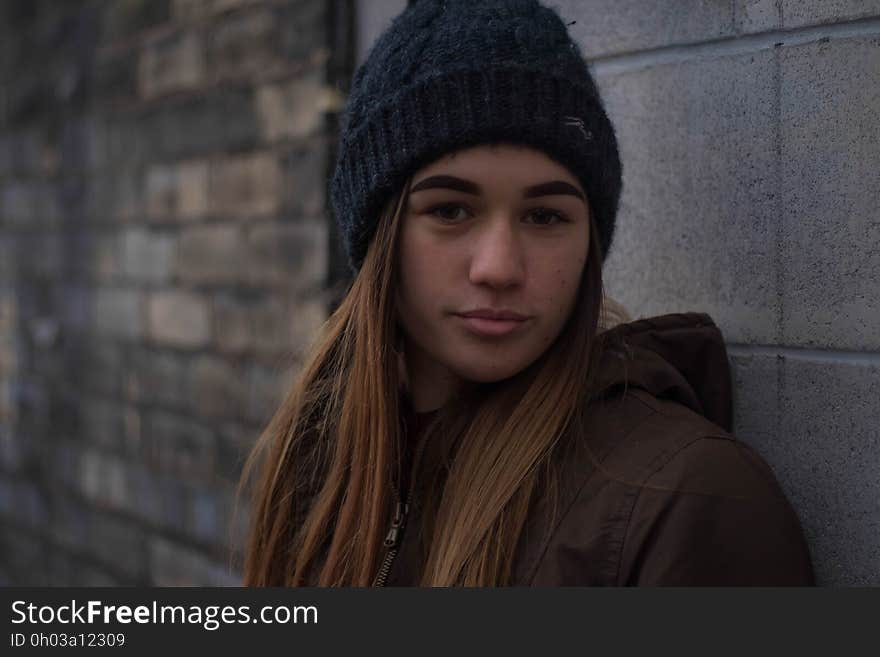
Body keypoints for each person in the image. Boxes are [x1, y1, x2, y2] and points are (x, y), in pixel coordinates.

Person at [238, 0, 815, 586]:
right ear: (379, 234)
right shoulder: (319, 462)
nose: (498, 267)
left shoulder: (687, 501)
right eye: (451, 210)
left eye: (544, 216)